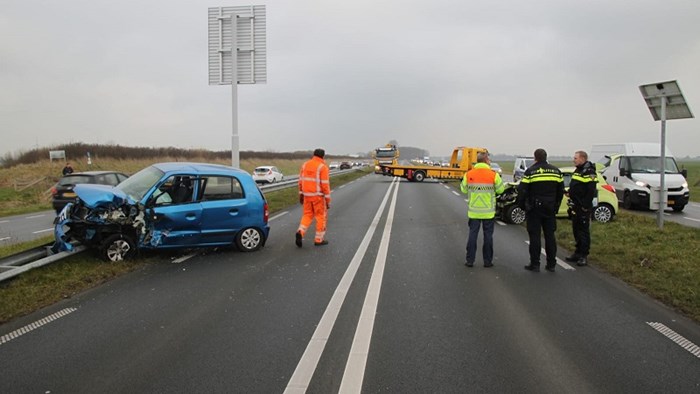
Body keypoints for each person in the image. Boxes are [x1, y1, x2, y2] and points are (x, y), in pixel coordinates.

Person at [517, 148, 564, 272]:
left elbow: (522, 190)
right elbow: (560, 192)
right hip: (550, 208)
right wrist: (556, 206)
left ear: (535, 158)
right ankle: (551, 264)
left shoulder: (531, 171)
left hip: (534, 209)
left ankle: (535, 264)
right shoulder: (556, 171)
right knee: (550, 236)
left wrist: (522, 206)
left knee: (535, 236)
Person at [460, 151, 505, 267]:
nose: (490, 161)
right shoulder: (493, 175)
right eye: (489, 160)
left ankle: (470, 260)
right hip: (488, 212)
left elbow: (463, 190)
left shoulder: (469, 174)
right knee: (488, 237)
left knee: (472, 235)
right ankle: (487, 261)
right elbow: (501, 190)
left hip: (474, 211)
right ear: (486, 161)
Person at [565, 150, 597, 266]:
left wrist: (585, 206)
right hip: (576, 205)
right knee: (576, 230)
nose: (574, 160)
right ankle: (577, 252)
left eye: (575, 158)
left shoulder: (589, 171)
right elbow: (576, 186)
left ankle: (584, 255)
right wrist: (570, 193)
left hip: (583, 207)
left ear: (582, 159)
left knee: (583, 231)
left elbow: (590, 191)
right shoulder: (578, 170)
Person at [296, 148, 332, 247]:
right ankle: (318, 240)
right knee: (321, 217)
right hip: (318, 197)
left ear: (314, 154)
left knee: (307, 215)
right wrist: (328, 200)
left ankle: (300, 232)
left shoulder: (305, 165)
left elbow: (300, 181)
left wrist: (301, 194)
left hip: (307, 196)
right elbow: (325, 185)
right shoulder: (322, 167)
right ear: (323, 156)